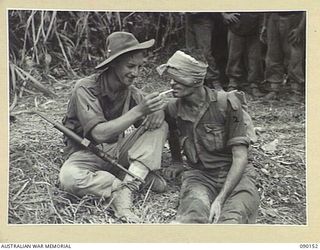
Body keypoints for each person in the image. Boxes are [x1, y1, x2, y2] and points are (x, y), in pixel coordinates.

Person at [59, 31, 168, 223]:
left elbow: (153, 115)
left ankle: (129, 186)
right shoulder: (85, 88)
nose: (136, 73)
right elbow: (99, 134)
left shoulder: (131, 91)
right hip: (85, 153)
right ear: (113, 63)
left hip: (116, 151)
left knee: (160, 126)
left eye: (140, 67)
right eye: (130, 66)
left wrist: (158, 112)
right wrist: (139, 111)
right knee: (69, 178)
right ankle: (123, 182)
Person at [157, 49, 260, 223]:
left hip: (237, 175)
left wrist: (220, 199)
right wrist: (176, 161)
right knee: (192, 216)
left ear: (197, 80)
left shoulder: (227, 104)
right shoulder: (173, 108)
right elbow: (172, 133)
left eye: (178, 78)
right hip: (200, 176)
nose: (172, 83)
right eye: (171, 78)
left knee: (232, 219)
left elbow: (240, 157)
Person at [260, 12, 306, 101]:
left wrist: (300, 28)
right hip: (274, 17)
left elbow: (308, 7)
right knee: (273, 54)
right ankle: (274, 88)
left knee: (294, 55)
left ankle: (296, 90)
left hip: (294, 18)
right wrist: (265, 25)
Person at [222, 12, 264, 97]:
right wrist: (224, 14)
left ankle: (254, 85)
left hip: (254, 27)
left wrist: (263, 25)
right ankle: (233, 83)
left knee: (254, 58)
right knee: (234, 56)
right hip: (235, 25)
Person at [185, 12, 223, 90]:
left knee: (205, 52)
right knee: (192, 51)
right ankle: (198, 80)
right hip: (189, 17)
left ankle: (214, 80)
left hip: (204, 18)